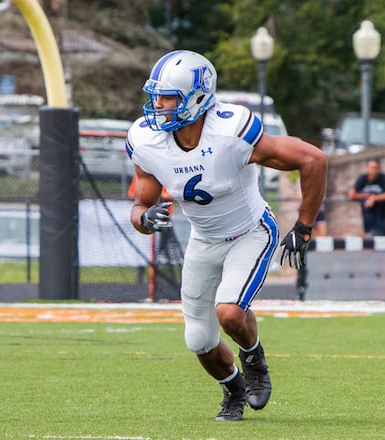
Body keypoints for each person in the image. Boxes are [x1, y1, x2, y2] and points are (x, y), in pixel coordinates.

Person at [127, 50, 327, 421]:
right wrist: (145, 217)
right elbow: (140, 205)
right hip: (203, 241)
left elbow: (313, 159)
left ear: (199, 97)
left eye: (168, 97)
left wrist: (303, 225)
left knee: (230, 312)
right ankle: (233, 389)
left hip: (250, 231)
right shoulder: (146, 139)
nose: (158, 106)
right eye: (156, 97)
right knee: (199, 341)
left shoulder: (231, 130)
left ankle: (253, 358)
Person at [348, 158, 385, 238]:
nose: (373, 171)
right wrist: (367, 196)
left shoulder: (384, 178)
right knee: (376, 240)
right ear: (367, 168)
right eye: (371, 168)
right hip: (373, 216)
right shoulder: (363, 179)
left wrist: (374, 198)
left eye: (376, 168)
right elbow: (352, 195)